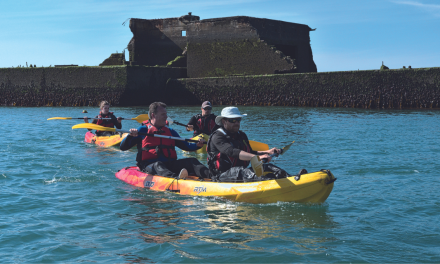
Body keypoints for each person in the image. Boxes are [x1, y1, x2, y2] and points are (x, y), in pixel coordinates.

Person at [120, 102, 210, 180]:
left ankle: (212, 176)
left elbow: (186, 146)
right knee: (158, 165)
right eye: (163, 114)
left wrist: (197, 145)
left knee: (192, 161)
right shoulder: (143, 130)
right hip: (149, 166)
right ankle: (175, 180)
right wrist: (130, 136)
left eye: (166, 114)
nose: (166, 117)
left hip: (169, 164)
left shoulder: (171, 132)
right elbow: (123, 147)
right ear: (153, 115)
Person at [207, 106, 290, 182]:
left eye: (238, 119)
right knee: (239, 171)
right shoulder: (217, 136)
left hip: (241, 172)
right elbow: (231, 151)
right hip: (221, 176)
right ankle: (269, 182)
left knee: (268, 167)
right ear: (224, 121)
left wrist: (268, 152)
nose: (236, 123)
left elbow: (250, 153)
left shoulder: (242, 135)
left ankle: (290, 178)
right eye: (232, 120)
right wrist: (256, 158)